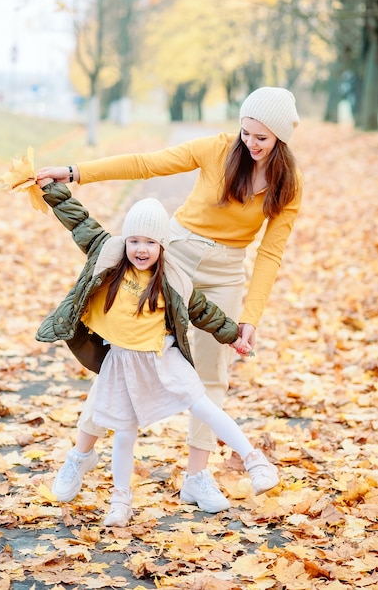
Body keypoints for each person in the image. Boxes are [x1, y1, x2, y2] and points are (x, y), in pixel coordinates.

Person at [37, 86, 302, 513]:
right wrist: (75, 171)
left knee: (213, 374)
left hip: (226, 273)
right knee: (124, 357)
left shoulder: (289, 184)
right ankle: (80, 455)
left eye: (261, 138)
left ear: (281, 139)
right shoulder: (216, 150)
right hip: (172, 257)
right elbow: (147, 163)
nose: (249, 143)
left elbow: (271, 252)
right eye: (245, 132)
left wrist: (250, 316)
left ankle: (197, 477)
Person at [35, 182, 279, 527]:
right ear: (125, 240)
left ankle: (255, 461)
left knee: (204, 404)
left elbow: (203, 312)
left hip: (162, 357)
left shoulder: (173, 279)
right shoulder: (108, 254)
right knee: (123, 431)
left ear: (162, 245)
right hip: (121, 361)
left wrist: (233, 336)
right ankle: (120, 500)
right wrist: (52, 190)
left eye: (150, 242)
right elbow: (79, 220)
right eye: (134, 240)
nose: (141, 249)